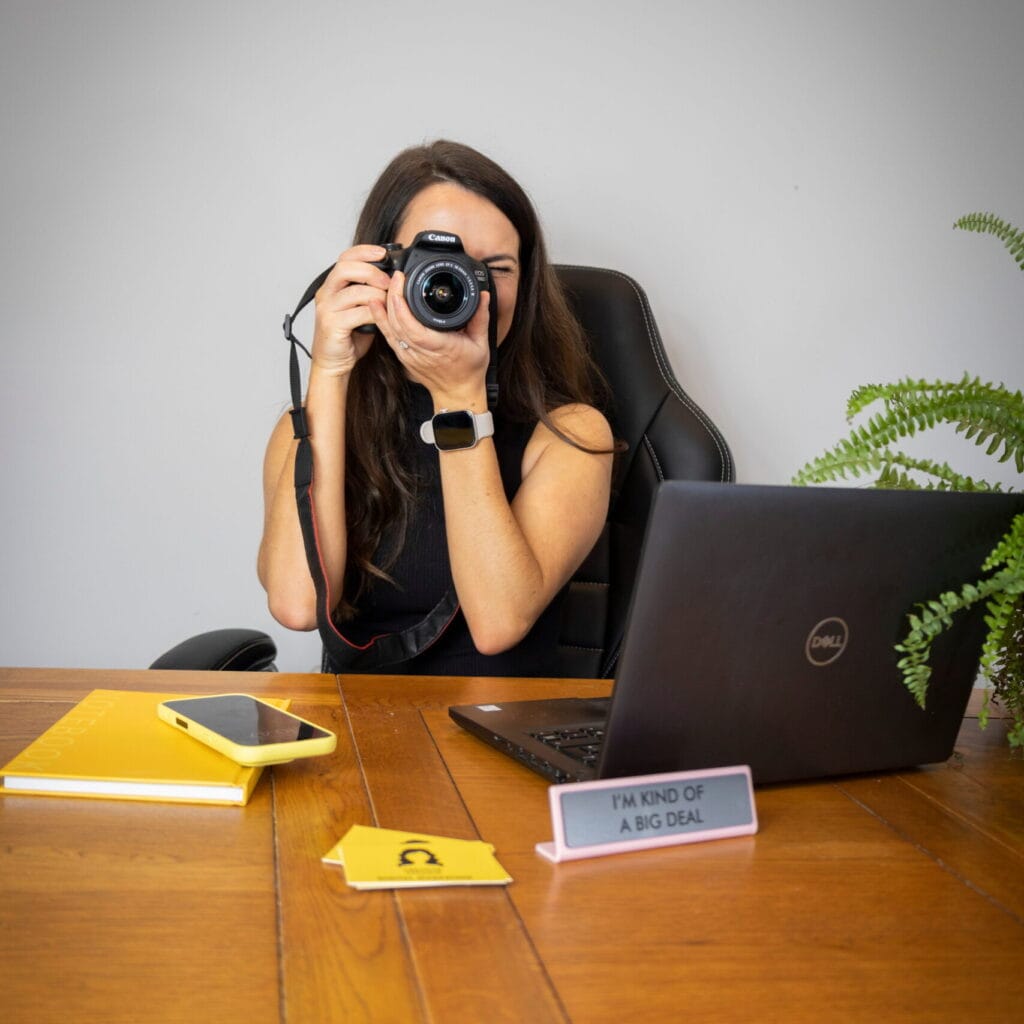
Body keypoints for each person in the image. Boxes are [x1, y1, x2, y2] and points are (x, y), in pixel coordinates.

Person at [257, 140, 614, 675]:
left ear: (530, 282)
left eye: (495, 268)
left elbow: (498, 623)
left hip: (497, 742)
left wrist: (459, 398)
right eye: (437, 265)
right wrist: (330, 373)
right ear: (377, 269)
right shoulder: (306, 429)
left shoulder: (570, 436)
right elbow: (296, 603)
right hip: (356, 740)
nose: (459, 288)